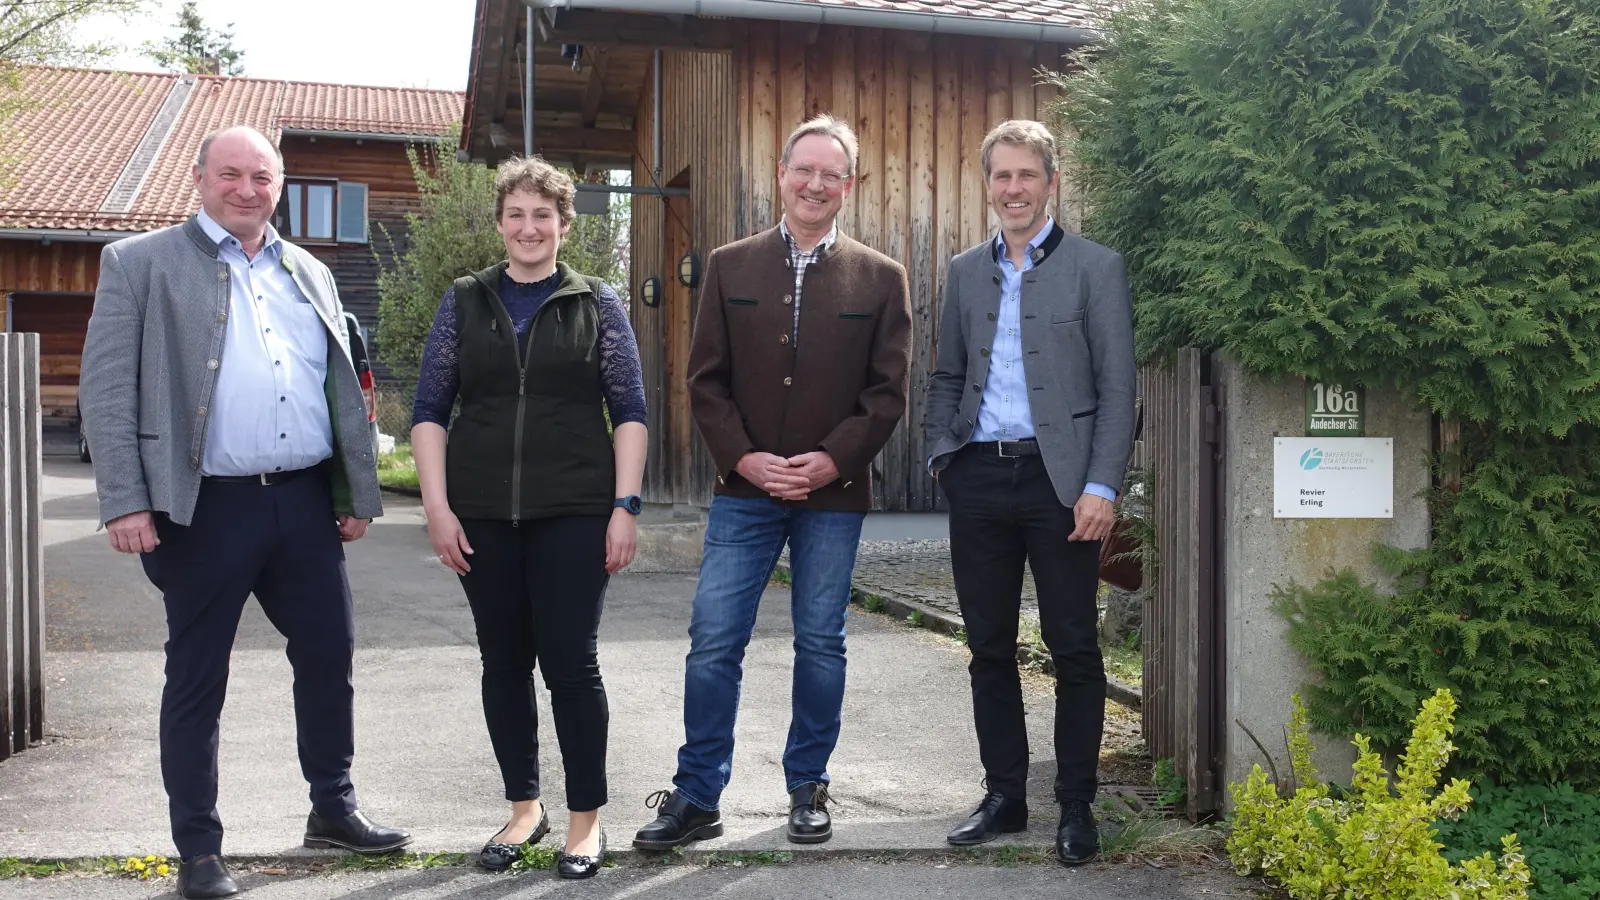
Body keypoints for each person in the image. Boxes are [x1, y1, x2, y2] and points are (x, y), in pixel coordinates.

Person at [78, 126, 408, 900]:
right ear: (199, 179)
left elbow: (338, 383)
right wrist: (125, 500)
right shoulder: (139, 264)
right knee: (197, 677)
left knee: (329, 655)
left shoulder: (309, 271)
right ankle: (198, 848)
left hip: (300, 502)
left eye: (262, 176)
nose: (247, 188)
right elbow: (105, 389)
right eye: (230, 174)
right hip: (203, 509)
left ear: (281, 183)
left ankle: (334, 807)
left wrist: (352, 494)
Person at [633, 114, 912, 850]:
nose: (815, 184)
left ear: (848, 185)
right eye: (804, 170)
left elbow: (886, 395)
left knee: (821, 641)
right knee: (714, 640)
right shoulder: (728, 264)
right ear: (780, 175)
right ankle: (697, 797)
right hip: (743, 490)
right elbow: (706, 381)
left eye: (831, 173)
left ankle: (808, 789)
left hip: (835, 494)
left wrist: (832, 460)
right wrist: (744, 458)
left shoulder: (882, 278)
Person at [410, 155, 647, 880]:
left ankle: (585, 822)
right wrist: (438, 508)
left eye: (543, 215)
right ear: (501, 223)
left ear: (564, 224)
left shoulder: (596, 302)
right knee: (504, 664)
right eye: (516, 214)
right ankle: (524, 809)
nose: (529, 227)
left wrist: (624, 508)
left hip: (575, 510)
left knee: (571, 664)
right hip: (481, 513)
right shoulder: (464, 300)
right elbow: (429, 411)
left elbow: (630, 412)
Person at [922, 119, 1137, 866]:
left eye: (1027, 175)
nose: (1013, 189)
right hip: (979, 473)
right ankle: (1006, 796)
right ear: (989, 185)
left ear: (1051, 182)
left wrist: (1102, 485)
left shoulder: (1095, 268)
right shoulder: (962, 271)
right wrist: (942, 455)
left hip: (1062, 484)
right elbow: (947, 373)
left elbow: (1118, 390)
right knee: (987, 646)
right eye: (1001, 176)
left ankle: (1076, 804)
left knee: (1072, 645)